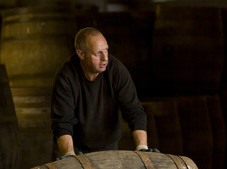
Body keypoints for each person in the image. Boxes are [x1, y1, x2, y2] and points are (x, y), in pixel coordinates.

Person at [51, 27, 155, 160]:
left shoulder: (116, 71)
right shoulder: (66, 77)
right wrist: (69, 157)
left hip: (108, 147)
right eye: (97, 53)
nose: (105, 58)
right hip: (73, 147)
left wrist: (142, 148)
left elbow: (134, 111)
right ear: (81, 54)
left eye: (106, 50)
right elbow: (62, 122)